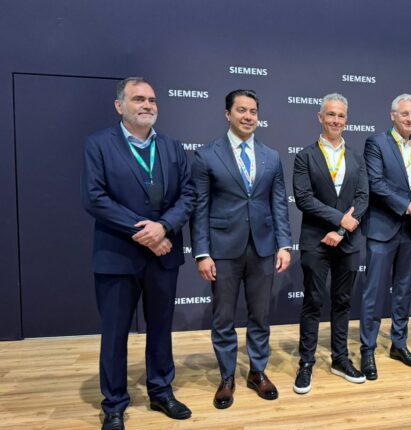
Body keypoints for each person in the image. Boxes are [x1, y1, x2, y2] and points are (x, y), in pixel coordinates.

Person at [82, 77, 195, 430]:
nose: (147, 105)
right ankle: (114, 404)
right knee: (115, 333)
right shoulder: (99, 144)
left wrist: (164, 227)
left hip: (164, 254)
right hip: (118, 256)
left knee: (161, 329)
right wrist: (146, 234)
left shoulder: (173, 147)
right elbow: (95, 198)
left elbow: (188, 194)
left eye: (151, 99)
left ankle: (161, 391)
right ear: (120, 106)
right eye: (138, 99)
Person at [190, 89, 292, 407]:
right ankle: (227, 377)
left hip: (263, 248)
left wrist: (284, 244)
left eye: (253, 111)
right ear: (228, 114)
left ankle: (257, 372)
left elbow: (279, 204)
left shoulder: (271, 156)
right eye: (241, 110)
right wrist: (202, 253)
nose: (248, 117)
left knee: (260, 316)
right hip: (223, 250)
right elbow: (200, 208)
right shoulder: (206, 155)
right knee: (223, 318)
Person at [291, 93, 369, 394]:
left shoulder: (357, 157)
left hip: (348, 242)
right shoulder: (305, 156)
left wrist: (342, 230)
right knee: (312, 302)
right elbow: (304, 199)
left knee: (343, 302)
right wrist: (340, 220)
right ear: (320, 117)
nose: (336, 120)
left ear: (346, 120)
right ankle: (306, 363)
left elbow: (363, 198)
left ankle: (340, 359)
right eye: (331, 115)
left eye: (341, 116)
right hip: (316, 241)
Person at [360, 94, 411, 380]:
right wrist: (407, 207)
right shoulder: (376, 143)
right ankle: (367, 349)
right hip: (382, 229)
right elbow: (375, 184)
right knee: (374, 292)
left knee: (403, 291)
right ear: (393, 115)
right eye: (404, 114)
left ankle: (398, 344)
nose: (409, 118)